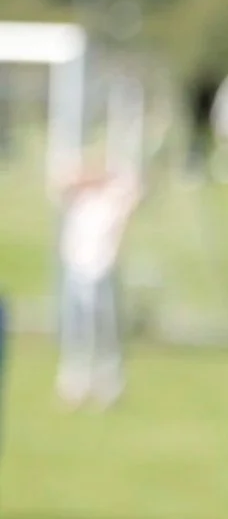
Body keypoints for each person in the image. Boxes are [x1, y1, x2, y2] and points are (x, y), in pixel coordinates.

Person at [52, 151, 141, 407]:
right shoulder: (79, 199)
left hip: (103, 270)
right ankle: (74, 385)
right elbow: (61, 181)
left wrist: (108, 177)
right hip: (76, 271)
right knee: (76, 331)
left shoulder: (113, 199)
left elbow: (134, 188)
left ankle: (108, 386)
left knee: (106, 332)